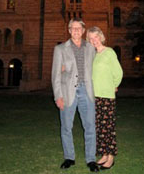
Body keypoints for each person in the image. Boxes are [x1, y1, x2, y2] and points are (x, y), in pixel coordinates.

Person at [51, 18, 99, 172]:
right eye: (73, 28)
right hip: (67, 93)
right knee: (66, 127)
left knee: (90, 126)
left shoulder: (91, 48)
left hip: (87, 92)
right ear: (69, 30)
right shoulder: (60, 49)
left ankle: (91, 159)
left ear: (83, 31)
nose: (76, 31)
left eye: (79, 28)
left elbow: (98, 69)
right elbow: (55, 75)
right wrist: (58, 96)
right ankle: (69, 157)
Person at [86, 26, 123, 170]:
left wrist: (114, 85)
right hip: (94, 96)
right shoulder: (93, 55)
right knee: (99, 127)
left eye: (96, 37)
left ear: (101, 37)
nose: (94, 40)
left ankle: (111, 157)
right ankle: (104, 154)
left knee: (108, 127)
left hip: (107, 95)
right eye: (91, 38)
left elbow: (118, 72)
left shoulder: (109, 52)